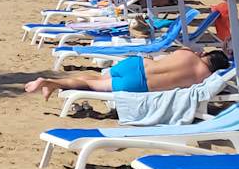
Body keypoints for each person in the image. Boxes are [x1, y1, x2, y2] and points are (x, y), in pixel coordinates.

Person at [24, 46, 229, 100]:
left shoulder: (187, 54)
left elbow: (172, 55)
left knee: (97, 78)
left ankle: (52, 83)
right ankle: (50, 83)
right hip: (140, 84)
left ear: (206, 54)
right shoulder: (204, 78)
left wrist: (195, 53)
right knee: (92, 85)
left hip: (137, 64)